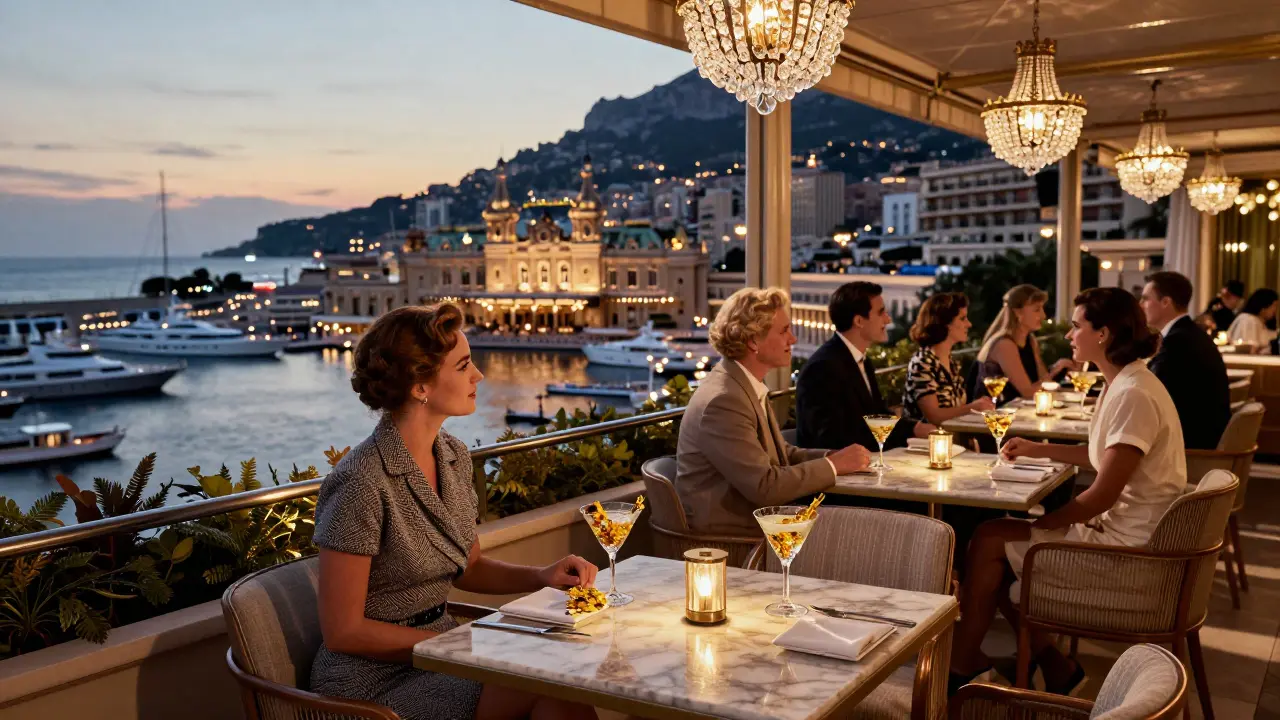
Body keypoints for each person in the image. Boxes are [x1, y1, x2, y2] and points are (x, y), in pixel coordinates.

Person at [311, 304, 600, 720]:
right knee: (546, 682)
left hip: (439, 651)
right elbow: (343, 632)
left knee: (560, 691)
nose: (478, 375)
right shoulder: (362, 481)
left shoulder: (453, 457)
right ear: (419, 385)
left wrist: (542, 576)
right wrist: (457, 646)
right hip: (369, 686)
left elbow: (470, 565)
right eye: (463, 365)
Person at [948, 288, 1186, 696]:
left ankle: (962, 667)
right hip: (1129, 532)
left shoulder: (1133, 394)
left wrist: (1044, 525)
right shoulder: (1125, 381)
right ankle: (1051, 667)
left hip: (1128, 551)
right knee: (999, 548)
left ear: (1104, 334)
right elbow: (1103, 457)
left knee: (990, 537)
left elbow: (1100, 497)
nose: (1069, 335)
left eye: (1077, 326)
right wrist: (1038, 448)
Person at [676, 287, 871, 534]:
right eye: (784, 331)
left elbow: (781, 455)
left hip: (759, 520)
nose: (793, 339)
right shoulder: (724, 401)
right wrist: (833, 466)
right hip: (730, 537)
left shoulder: (741, 383)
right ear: (753, 340)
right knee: (858, 531)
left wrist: (834, 457)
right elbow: (765, 487)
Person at [796, 281, 936, 452]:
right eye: (881, 312)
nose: (888, 319)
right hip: (839, 474)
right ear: (859, 321)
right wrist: (909, 432)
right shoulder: (822, 368)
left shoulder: (861, 361)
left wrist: (914, 428)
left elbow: (877, 415)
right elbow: (831, 437)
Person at [1140, 271, 1231, 450]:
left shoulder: (1178, 342)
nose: (1140, 305)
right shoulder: (1189, 334)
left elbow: (1149, 393)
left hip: (1188, 447)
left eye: (1145, 299)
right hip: (1196, 436)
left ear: (1166, 302)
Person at [972, 285, 1078, 404]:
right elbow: (1028, 392)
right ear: (1018, 312)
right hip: (994, 413)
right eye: (1037, 309)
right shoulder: (1004, 345)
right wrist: (1055, 370)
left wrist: (1058, 368)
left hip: (1019, 409)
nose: (1043, 315)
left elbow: (1042, 381)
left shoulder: (1030, 340)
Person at [902, 292, 995, 425]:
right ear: (945, 323)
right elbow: (934, 416)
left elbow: (957, 410)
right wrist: (973, 407)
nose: (969, 324)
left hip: (954, 438)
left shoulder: (951, 363)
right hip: (927, 442)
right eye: (962, 319)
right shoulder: (923, 363)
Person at [1226, 288, 1279, 354]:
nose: (1275, 310)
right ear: (1264, 306)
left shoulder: (1262, 323)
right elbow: (1247, 349)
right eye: (1274, 305)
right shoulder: (1247, 320)